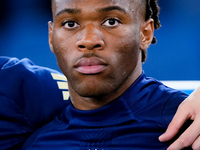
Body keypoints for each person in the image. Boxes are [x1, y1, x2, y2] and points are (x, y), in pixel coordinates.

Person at [18, 0, 198, 149]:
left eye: (111, 21)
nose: (88, 41)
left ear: (145, 33)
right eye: (70, 24)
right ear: (51, 37)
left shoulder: (190, 127)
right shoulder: (39, 144)